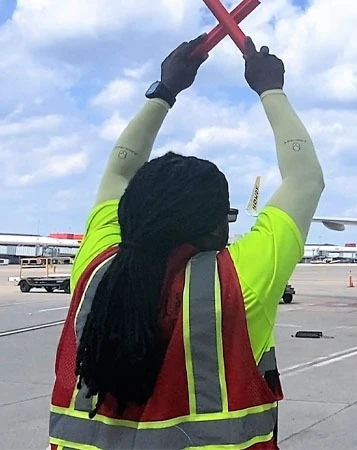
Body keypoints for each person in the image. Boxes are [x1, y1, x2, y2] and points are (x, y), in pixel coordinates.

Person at [48, 33, 324, 449]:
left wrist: (164, 90)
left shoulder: (93, 269)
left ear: (130, 214)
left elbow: (119, 171)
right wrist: (271, 88)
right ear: (214, 227)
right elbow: (304, 178)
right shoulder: (237, 282)